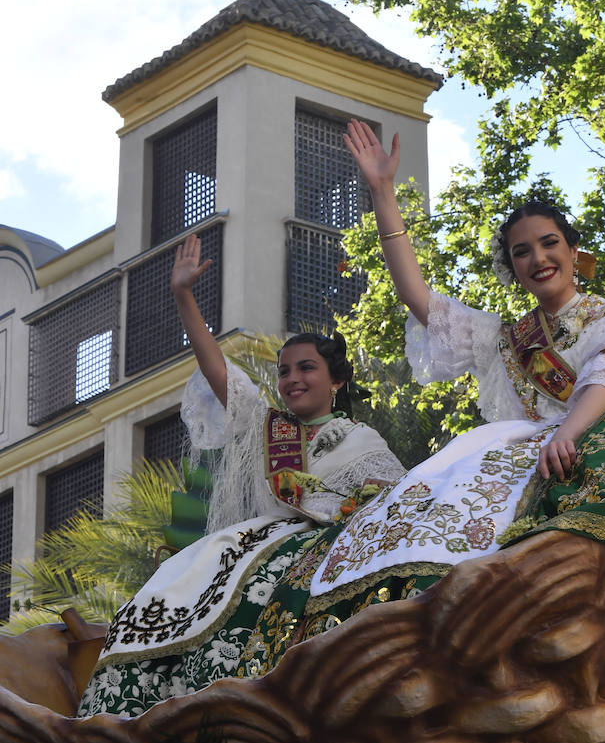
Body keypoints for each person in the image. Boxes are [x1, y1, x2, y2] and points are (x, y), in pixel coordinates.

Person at [255, 121, 605, 643]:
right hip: (521, 457)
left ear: (572, 252)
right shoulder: (502, 337)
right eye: (522, 251)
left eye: (549, 244)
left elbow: (603, 379)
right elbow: (419, 298)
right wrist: (383, 193)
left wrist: (567, 435)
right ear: (513, 267)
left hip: (591, 441)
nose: (538, 258)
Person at [77, 234, 405, 718]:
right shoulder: (263, 426)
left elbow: (394, 508)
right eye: (285, 370)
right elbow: (219, 371)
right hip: (255, 548)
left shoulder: (366, 442)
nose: (292, 379)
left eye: (306, 368)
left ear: (336, 381)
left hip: (328, 555)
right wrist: (183, 296)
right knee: (177, 585)